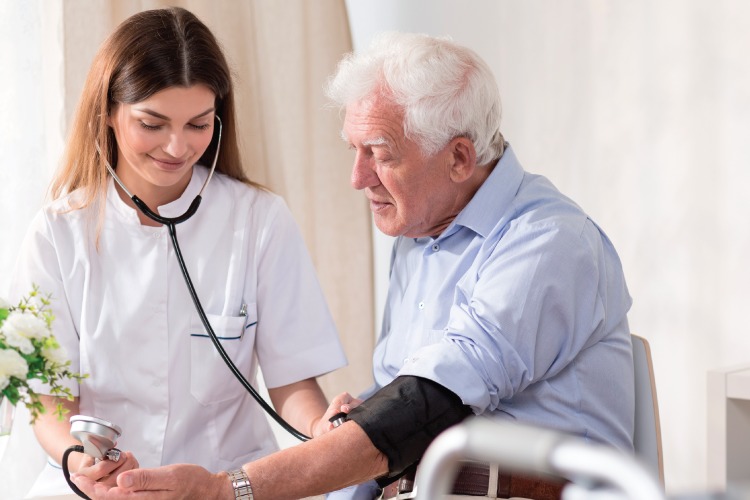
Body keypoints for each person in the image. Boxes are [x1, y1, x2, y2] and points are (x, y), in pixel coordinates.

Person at [73, 31, 634, 500]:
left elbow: (422, 408)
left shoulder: (547, 244)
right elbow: (391, 417)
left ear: (459, 157)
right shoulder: (422, 235)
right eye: (353, 151)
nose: (358, 179)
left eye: (381, 154)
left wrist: (230, 490)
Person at [9, 6, 347, 498]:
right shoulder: (56, 233)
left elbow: (293, 383)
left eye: (198, 124)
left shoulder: (259, 220)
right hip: (96, 490)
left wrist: (324, 429)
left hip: (223, 484)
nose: (176, 146)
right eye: (152, 123)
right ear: (108, 112)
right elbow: (48, 403)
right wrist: (81, 462)